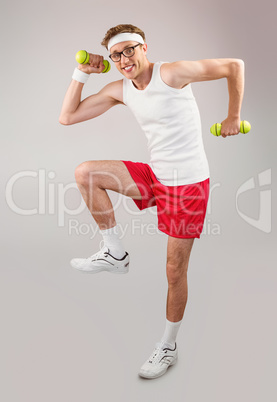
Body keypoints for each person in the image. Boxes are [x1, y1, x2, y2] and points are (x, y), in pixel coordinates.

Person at [59, 24, 245, 379]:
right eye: (117, 55)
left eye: (130, 50)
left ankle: (169, 346)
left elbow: (234, 65)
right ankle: (115, 253)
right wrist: (81, 72)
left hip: (188, 186)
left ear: (144, 47)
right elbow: (67, 117)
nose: (124, 59)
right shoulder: (121, 89)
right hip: (156, 177)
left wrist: (233, 115)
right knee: (86, 172)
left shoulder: (172, 73)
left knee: (174, 272)